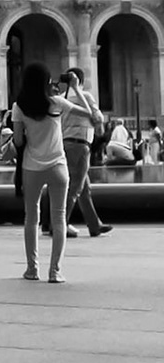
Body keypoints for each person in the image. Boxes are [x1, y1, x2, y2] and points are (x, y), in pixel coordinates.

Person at [12, 62, 76, 283]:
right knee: (58, 218)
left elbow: (19, 140)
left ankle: (32, 269)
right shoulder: (56, 103)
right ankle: (55, 271)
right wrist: (75, 88)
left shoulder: (19, 106)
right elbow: (89, 113)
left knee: (32, 218)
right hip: (58, 165)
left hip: (32, 167)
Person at [56, 68, 111, 237]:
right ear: (81, 81)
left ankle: (94, 225)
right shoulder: (85, 96)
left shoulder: (62, 98)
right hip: (80, 145)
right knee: (75, 188)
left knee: (84, 188)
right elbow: (98, 119)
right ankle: (60, 224)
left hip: (65, 144)